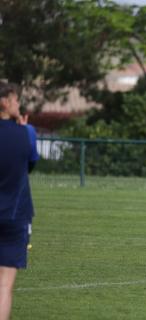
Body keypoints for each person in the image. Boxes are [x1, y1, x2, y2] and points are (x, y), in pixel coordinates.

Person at [0, 82, 39, 320]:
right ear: (4, 102)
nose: (18, 104)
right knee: (5, 285)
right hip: (14, 215)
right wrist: (24, 131)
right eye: (15, 100)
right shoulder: (27, 133)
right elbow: (31, 164)